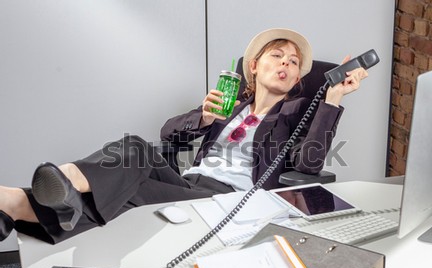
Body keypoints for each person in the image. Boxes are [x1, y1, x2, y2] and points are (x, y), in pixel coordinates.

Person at [0, 28, 368, 244]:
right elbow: (168, 133)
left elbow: (310, 163)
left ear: (298, 78)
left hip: (229, 199)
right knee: (135, 148)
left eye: (293, 62)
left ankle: (18, 205)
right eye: (278, 55)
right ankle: (58, 188)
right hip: (190, 182)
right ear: (254, 66)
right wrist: (204, 117)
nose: (286, 63)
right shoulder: (229, 104)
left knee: (135, 191)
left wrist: (333, 98)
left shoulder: (296, 114)